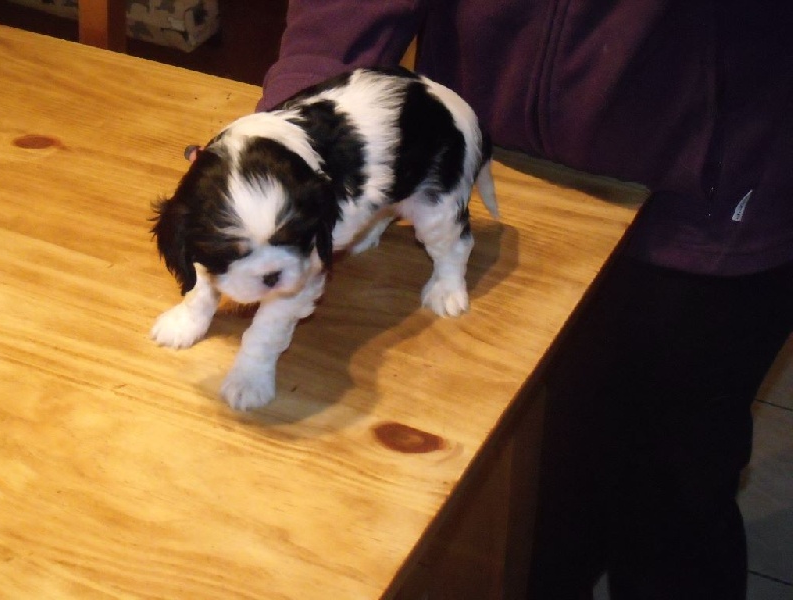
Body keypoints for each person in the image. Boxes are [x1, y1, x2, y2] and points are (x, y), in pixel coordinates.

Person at [253, 1, 793, 598]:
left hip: (720, 202)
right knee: (524, 502)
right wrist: (295, 135)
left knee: (674, 496)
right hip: (495, 178)